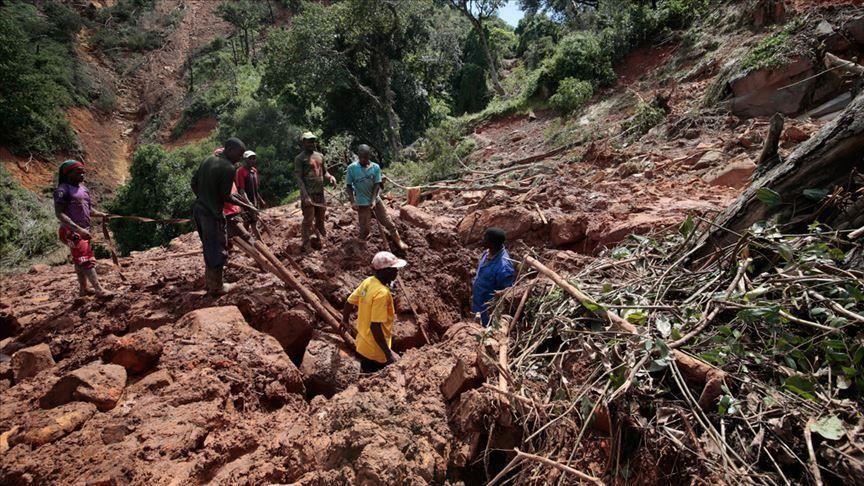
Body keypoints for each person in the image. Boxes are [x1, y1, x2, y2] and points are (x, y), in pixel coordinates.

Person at [191, 137, 255, 296]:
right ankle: (217, 288)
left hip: (199, 210)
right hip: (212, 214)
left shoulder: (208, 160)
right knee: (218, 249)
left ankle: (211, 283)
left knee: (209, 246)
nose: (240, 158)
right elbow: (227, 196)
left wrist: (205, 198)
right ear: (230, 150)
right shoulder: (228, 167)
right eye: (239, 154)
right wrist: (247, 205)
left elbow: (193, 183)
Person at [53, 160, 112, 298]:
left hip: (83, 229)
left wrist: (101, 214)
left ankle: (83, 290)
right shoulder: (62, 190)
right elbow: (59, 213)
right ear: (68, 174)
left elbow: (88, 209)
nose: (82, 173)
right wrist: (78, 229)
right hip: (71, 231)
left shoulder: (84, 189)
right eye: (78, 171)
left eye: (83, 171)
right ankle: (99, 290)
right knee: (85, 259)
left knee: (80, 260)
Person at [341, 251, 407, 373]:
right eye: (394, 269)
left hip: (361, 345)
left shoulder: (368, 282)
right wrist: (388, 355)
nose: (397, 271)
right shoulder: (382, 293)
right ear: (384, 271)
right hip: (376, 353)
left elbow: (349, 302)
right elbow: (375, 327)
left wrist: (345, 320)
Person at [345, 144, 408, 251]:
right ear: (358, 156)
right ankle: (362, 248)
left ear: (369, 156)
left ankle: (398, 241)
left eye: (365, 157)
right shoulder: (352, 168)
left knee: (387, 221)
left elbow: (377, 184)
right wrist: (352, 201)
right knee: (365, 229)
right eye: (360, 157)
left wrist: (373, 199)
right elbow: (348, 186)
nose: (362, 160)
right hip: (362, 203)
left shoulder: (375, 167)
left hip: (376, 200)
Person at [294, 132, 336, 251]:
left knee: (321, 218)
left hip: (320, 193)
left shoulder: (320, 156)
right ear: (303, 142)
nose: (312, 143)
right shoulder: (299, 158)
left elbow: (324, 172)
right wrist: (305, 196)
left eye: (313, 141)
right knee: (308, 220)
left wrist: (331, 177)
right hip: (308, 195)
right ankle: (306, 244)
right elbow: (299, 178)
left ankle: (322, 240)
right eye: (309, 141)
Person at [471, 228, 516, 326]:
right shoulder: (487, 253)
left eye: (485, 239)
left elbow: (506, 295)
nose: (482, 241)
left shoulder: (504, 267)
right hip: (478, 303)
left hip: (488, 312)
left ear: (493, 243)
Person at [236, 150, 265, 238]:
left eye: (253, 158)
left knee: (248, 222)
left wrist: (260, 200)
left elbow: (255, 189)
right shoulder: (240, 171)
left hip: (254, 202)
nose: (252, 160)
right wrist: (248, 203)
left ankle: (245, 239)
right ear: (245, 160)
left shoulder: (254, 171)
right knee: (253, 224)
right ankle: (261, 243)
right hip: (246, 202)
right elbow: (242, 190)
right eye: (250, 158)